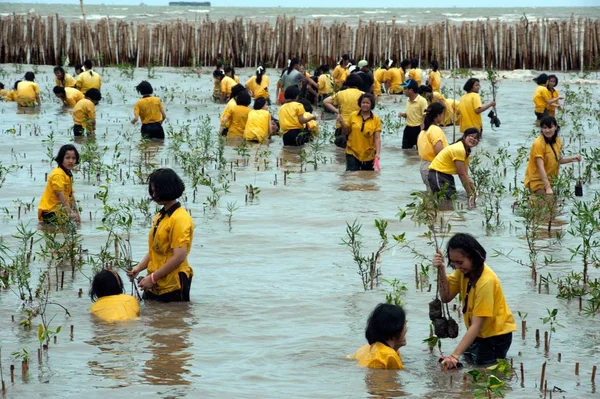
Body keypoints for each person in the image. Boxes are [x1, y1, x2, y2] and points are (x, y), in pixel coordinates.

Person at [433, 233, 517, 368]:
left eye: (460, 262)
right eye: (453, 263)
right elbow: (445, 297)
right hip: (477, 334)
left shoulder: (486, 282)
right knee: (470, 365)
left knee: (486, 371)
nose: (457, 267)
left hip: (495, 336)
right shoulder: (463, 272)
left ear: (473, 257)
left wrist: (454, 355)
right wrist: (441, 269)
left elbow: (477, 325)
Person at [127, 168, 194, 302]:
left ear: (166, 189)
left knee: (173, 319)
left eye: (155, 190)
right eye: (152, 190)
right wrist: (139, 268)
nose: (153, 194)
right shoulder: (160, 216)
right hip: (155, 280)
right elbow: (155, 250)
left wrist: (153, 278)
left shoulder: (180, 218)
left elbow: (179, 256)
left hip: (173, 283)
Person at [524, 116, 581, 195]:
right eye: (544, 128)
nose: (547, 130)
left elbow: (556, 160)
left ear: (555, 127)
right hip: (538, 183)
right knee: (547, 203)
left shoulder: (557, 140)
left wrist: (572, 159)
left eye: (550, 127)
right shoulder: (538, 143)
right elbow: (540, 166)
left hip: (550, 181)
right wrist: (548, 187)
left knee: (553, 205)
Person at [348, 303, 407, 370]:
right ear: (394, 328)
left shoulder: (369, 347)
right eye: (404, 323)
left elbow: (348, 358)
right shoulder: (389, 355)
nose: (406, 328)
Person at [428, 128, 480, 201]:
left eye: (476, 138)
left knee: (451, 201)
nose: (473, 139)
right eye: (471, 136)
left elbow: (466, 175)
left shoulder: (466, 152)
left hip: (447, 176)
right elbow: (461, 174)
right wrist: (470, 194)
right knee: (444, 201)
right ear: (464, 137)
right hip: (437, 174)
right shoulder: (459, 149)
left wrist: (475, 190)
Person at [37, 144, 81, 225]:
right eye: (67, 158)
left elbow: (71, 195)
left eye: (73, 158)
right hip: (50, 212)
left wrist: (77, 213)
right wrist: (70, 212)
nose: (71, 161)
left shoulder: (67, 173)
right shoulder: (58, 174)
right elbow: (59, 194)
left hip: (59, 212)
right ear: (61, 159)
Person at [338, 93, 382, 171]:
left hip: (369, 154)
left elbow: (377, 138)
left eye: (367, 103)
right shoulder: (353, 115)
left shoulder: (376, 119)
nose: (365, 105)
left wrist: (378, 153)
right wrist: (342, 122)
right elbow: (347, 132)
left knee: (367, 178)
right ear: (360, 104)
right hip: (352, 151)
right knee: (352, 176)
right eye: (363, 102)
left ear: (371, 105)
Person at [324, 74, 364, 147]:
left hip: (342, 125)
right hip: (357, 126)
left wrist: (337, 111)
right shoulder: (363, 95)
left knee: (340, 151)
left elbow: (326, 101)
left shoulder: (340, 94)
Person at [417, 102, 448, 189]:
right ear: (438, 115)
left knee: (430, 196)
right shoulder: (435, 130)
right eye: (442, 114)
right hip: (434, 168)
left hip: (424, 166)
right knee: (440, 197)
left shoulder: (423, 131)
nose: (443, 117)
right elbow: (439, 151)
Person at [398, 79, 428, 150]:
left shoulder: (422, 101)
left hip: (417, 129)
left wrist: (422, 133)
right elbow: (409, 115)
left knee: (418, 152)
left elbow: (425, 117)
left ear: (411, 90)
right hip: (408, 129)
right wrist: (403, 115)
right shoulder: (408, 100)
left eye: (405, 88)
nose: (403, 90)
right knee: (405, 151)